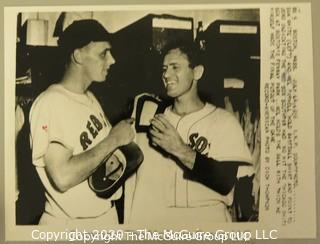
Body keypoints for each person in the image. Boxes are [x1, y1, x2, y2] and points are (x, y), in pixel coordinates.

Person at [125, 41, 253, 225]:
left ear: (197, 72)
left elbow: (226, 182)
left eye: (175, 67)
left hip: (207, 223)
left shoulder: (224, 122)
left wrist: (179, 149)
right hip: (161, 223)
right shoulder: (150, 117)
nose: (166, 74)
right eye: (164, 68)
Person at [29, 19, 135, 226]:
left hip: (103, 218)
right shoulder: (51, 102)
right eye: (103, 53)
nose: (112, 60)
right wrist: (114, 139)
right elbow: (62, 177)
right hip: (70, 226)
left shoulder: (90, 97)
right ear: (78, 56)